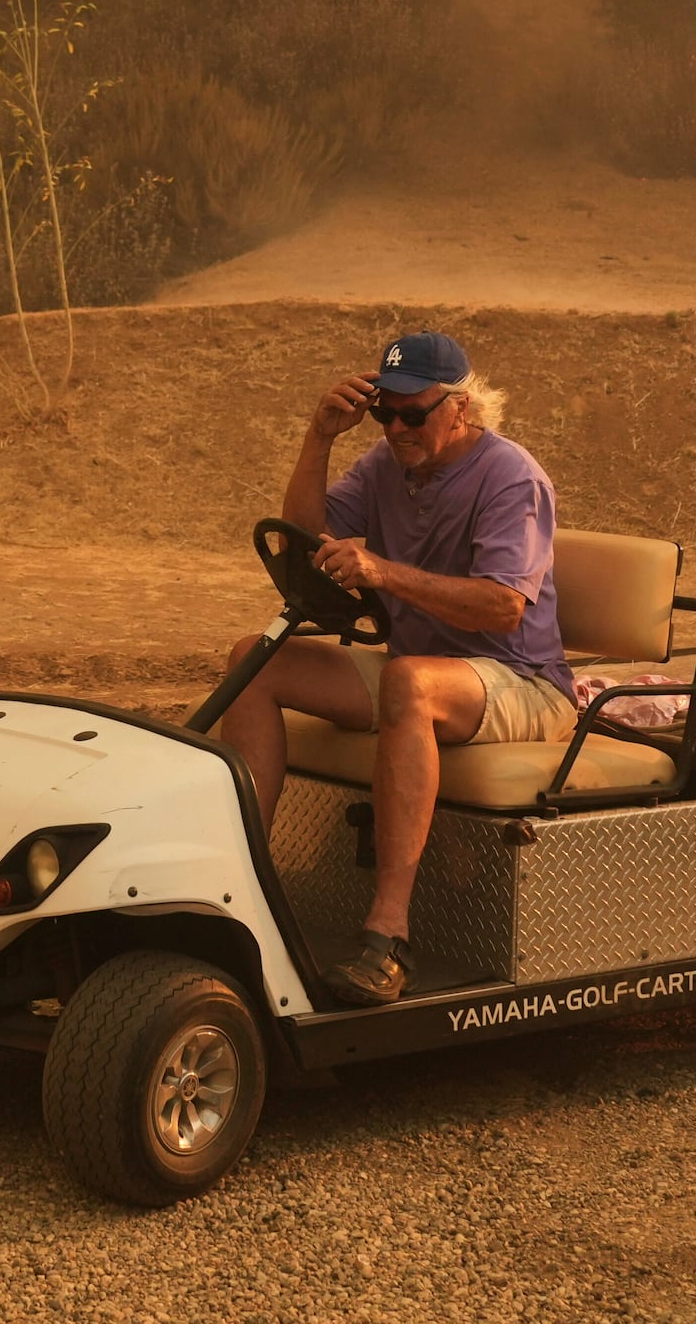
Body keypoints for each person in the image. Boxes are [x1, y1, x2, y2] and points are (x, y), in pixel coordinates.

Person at [216, 329, 569, 1007]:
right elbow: (304, 534)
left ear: (462, 408)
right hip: (427, 668)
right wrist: (319, 438)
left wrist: (382, 572)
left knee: (409, 683)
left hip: (520, 679)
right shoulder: (385, 465)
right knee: (253, 661)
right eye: (386, 412)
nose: (398, 428)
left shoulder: (511, 476)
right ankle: (240, 882)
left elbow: (502, 609)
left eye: (415, 413)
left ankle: (387, 935)